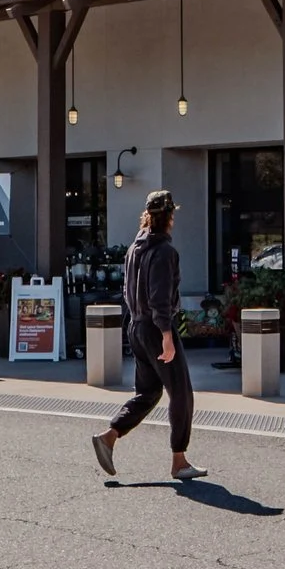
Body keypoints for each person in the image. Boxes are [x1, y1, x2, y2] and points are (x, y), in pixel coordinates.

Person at [94, 190, 205, 481]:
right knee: (181, 394)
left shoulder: (134, 248)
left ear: (147, 216)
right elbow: (159, 298)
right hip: (156, 329)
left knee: (149, 391)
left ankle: (109, 436)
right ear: (169, 217)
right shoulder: (165, 252)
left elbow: (129, 292)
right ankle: (179, 462)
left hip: (136, 326)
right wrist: (167, 335)